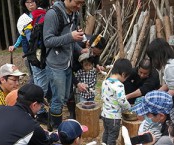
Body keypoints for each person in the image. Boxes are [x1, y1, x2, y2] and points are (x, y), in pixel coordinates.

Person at [43, 0, 87, 130]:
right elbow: (48, 40)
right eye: (77, 3)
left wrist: (80, 49)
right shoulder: (53, 14)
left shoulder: (73, 14)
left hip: (67, 63)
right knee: (58, 99)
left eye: (81, 4)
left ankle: (51, 125)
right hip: (55, 64)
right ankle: (56, 130)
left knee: (65, 97)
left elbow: (72, 40)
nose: (78, 7)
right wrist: (70, 36)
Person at [67, 34, 106, 119]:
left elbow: (95, 58)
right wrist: (77, 83)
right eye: (94, 53)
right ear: (88, 44)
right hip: (72, 66)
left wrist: (97, 65)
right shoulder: (76, 47)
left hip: (84, 69)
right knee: (70, 91)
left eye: (98, 54)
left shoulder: (94, 50)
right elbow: (68, 69)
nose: (95, 55)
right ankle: (72, 113)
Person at [101, 58, 132, 145]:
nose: (126, 79)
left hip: (105, 114)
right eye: (126, 77)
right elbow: (122, 101)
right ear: (123, 74)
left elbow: (103, 96)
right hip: (114, 117)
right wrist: (128, 108)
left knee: (106, 132)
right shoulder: (119, 85)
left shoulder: (105, 81)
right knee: (112, 136)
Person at [8, 0, 37, 80]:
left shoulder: (42, 13)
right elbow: (22, 35)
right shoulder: (24, 18)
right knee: (32, 75)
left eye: (32, 1)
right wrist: (15, 46)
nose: (30, 4)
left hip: (40, 49)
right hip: (28, 51)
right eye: (28, 2)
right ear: (25, 4)